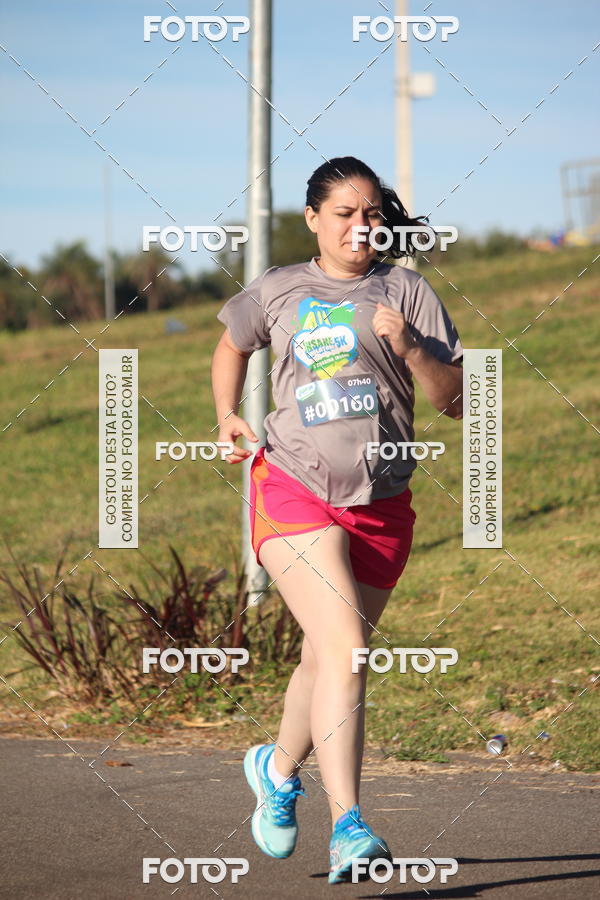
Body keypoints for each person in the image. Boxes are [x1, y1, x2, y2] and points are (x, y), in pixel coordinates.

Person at [211, 156, 463, 884]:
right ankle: (349, 825)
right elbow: (231, 343)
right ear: (314, 219)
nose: (363, 225)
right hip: (292, 486)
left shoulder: (407, 290)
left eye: (374, 212)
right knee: (349, 650)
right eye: (347, 212)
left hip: (382, 504)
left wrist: (412, 347)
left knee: (326, 660)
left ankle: (277, 768)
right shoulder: (281, 288)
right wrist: (228, 416)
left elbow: (456, 400)